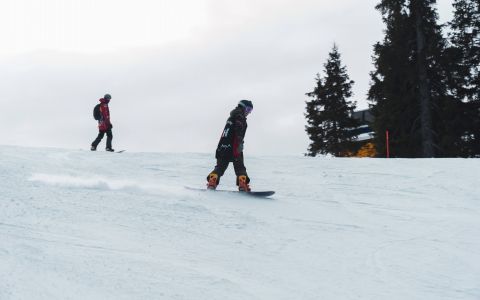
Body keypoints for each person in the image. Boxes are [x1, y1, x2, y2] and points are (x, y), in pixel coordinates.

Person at [207, 100, 253, 192]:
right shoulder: (240, 116)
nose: (248, 112)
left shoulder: (231, 117)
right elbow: (239, 130)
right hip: (234, 146)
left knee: (220, 167)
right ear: (242, 107)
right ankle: (242, 185)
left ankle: (212, 181)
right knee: (240, 167)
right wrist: (239, 143)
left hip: (223, 146)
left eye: (250, 111)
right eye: (248, 109)